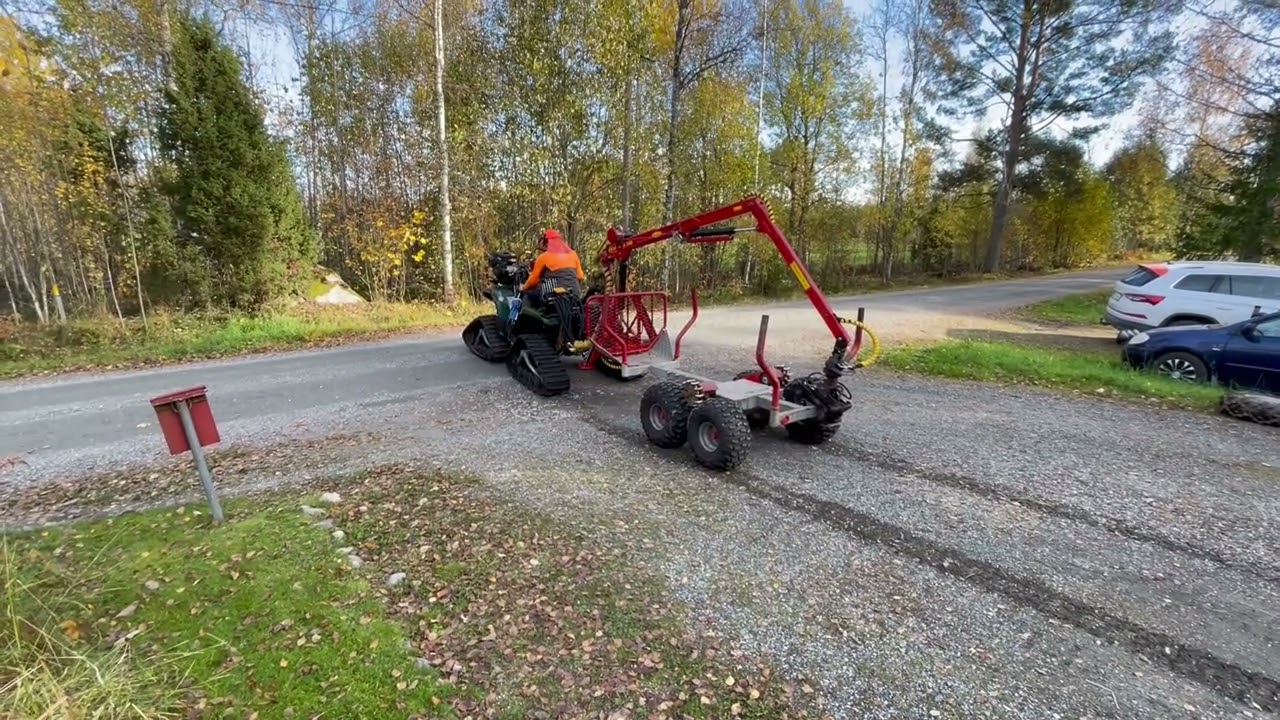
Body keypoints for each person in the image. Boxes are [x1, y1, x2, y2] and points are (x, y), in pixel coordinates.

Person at [521, 228, 585, 304]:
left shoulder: (544, 257)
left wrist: (523, 287)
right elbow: (580, 276)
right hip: (574, 294)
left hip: (553, 296)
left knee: (527, 297)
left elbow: (533, 281)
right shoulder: (573, 254)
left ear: (546, 243)